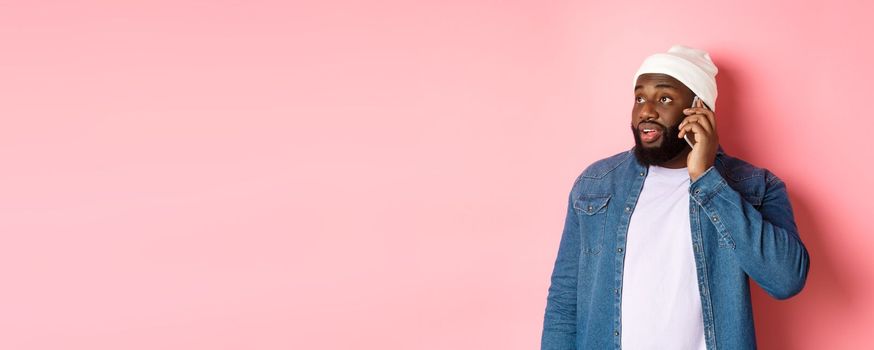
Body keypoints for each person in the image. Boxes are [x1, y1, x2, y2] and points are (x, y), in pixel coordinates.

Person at [540, 45, 810, 350]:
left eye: (664, 98)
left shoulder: (755, 186)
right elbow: (564, 301)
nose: (646, 111)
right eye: (639, 98)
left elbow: (786, 279)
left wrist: (706, 179)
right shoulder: (595, 185)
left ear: (700, 109)